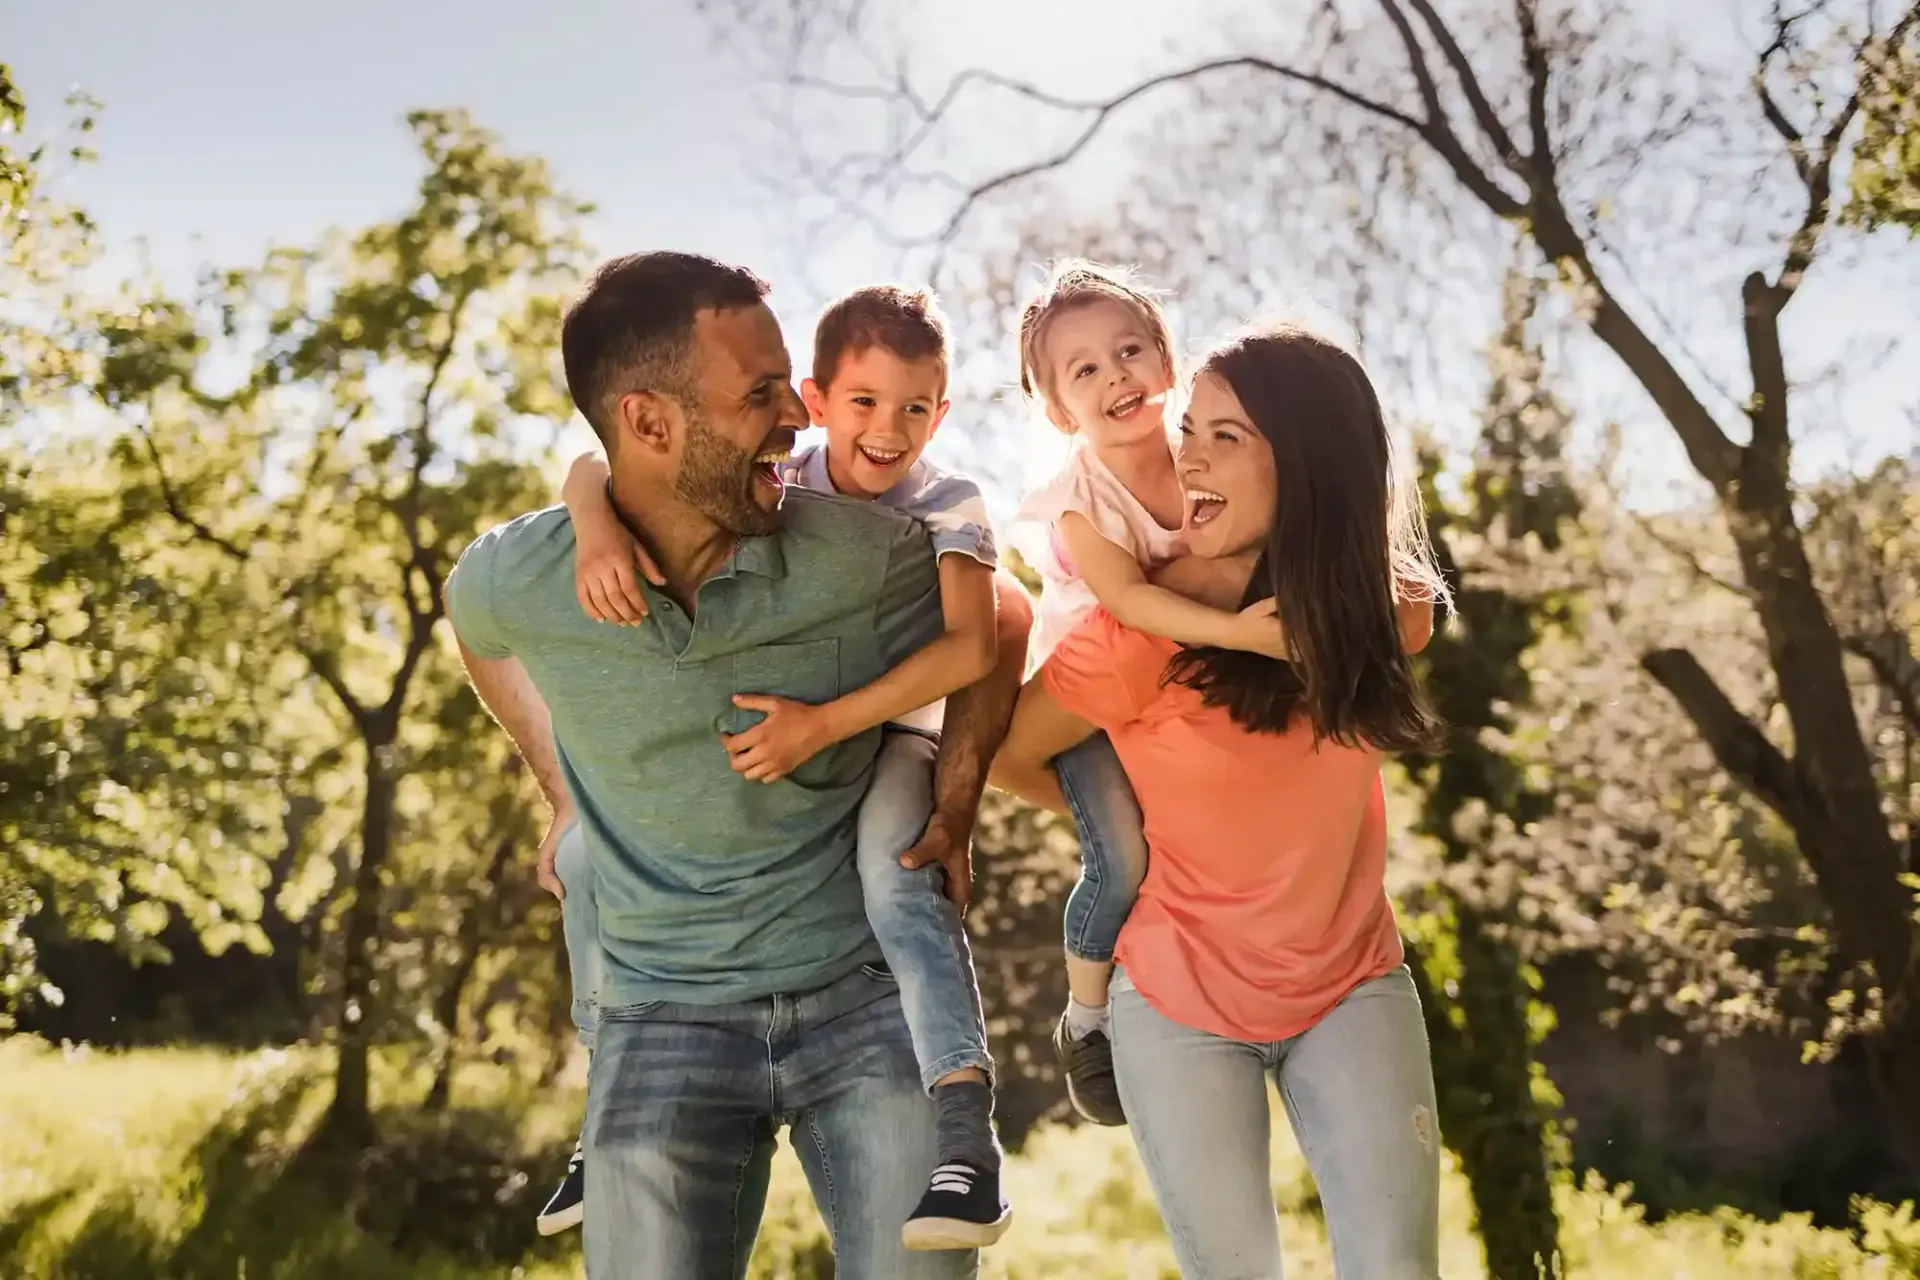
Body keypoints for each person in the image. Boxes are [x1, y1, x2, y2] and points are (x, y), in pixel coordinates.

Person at [445, 251, 1019, 1279]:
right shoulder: (524, 574)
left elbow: (1000, 623)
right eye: (759, 394)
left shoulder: (867, 550)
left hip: (861, 997)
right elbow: (475, 627)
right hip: (659, 1014)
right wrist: (562, 790)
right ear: (649, 422)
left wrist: (959, 793)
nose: (796, 419)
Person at [991, 321, 1449, 1278]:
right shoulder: (1137, 637)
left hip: (1351, 982)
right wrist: (1133, 850)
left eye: (1223, 437)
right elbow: (1010, 758)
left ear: (1308, 460)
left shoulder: (1389, 612)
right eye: (1187, 430)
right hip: (1178, 1000)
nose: (1185, 455)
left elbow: (1383, 595)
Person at [1007, 260, 1288, 1126]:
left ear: (1168, 364)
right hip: (1085, 702)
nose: (1115, 375)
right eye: (1084, 370)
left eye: (1130, 351)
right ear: (1060, 411)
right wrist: (1245, 631)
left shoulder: (1204, 453)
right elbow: (1128, 603)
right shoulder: (1078, 499)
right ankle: (1087, 1016)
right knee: (1122, 855)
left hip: (1170, 683)